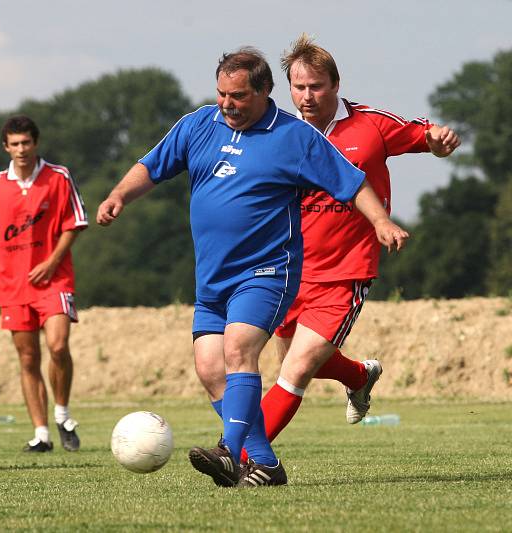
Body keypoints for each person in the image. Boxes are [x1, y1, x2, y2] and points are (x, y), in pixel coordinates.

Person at [97, 47, 409, 488]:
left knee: (239, 349)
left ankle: (230, 452)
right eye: (222, 93)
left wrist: (380, 221)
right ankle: (264, 462)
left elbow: (351, 181)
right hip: (212, 279)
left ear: (265, 91)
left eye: (239, 96)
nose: (228, 104)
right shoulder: (198, 124)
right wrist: (118, 196)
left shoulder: (293, 137)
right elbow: (152, 166)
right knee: (210, 369)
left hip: (265, 272)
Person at [238, 35, 461, 463]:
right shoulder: (279, 133)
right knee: (302, 362)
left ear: (336, 85)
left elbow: (422, 136)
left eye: (316, 86)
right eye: (298, 87)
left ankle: (241, 457)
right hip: (289, 269)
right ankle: (359, 374)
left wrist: (437, 140)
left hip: (346, 269)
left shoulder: (370, 125)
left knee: (296, 369)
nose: (307, 96)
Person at [0, 115, 88, 453]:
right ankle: (42, 434)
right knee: (28, 358)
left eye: (26, 143)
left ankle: (62, 412)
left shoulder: (58, 177)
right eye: (14, 144)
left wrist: (51, 261)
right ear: (6, 147)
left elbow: (75, 223)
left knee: (58, 346)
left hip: (54, 278)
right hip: (12, 284)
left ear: (36, 143)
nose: (21, 149)